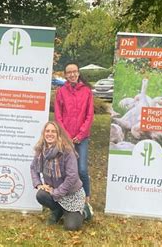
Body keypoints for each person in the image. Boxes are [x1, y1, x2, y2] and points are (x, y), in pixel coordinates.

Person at [30, 121, 91, 231]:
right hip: (54, 192)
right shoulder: (41, 150)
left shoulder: (67, 151)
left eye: (53, 131)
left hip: (72, 194)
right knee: (41, 195)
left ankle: (85, 211)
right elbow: (33, 168)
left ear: (59, 134)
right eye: (47, 131)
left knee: (71, 227)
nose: (50, 134)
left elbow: (72, 177)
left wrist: (56, 193)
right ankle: (57, 210)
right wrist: (39, 184)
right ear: (44, 134)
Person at [54, 63, 94, 206]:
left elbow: (89, 115)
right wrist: (66, 136)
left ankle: (86, 198)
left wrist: (81, 134)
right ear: (65, 75)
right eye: (69, 72)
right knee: (67, 169)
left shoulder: (87, 91)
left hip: (82, 138)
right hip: (66, 139)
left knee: (82, 169)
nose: (72, 74)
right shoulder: (61, 91)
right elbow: (58, 116)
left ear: (78, 73)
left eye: (74, 72)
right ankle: (66, 198)